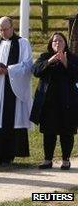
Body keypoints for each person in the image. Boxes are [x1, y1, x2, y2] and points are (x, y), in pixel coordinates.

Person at [0, 16, 32, 165]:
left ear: (12, 27)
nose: (3, 32)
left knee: (10, 117)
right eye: (0, 29)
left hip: (12, 89)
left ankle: (8, 155)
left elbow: (27, 65)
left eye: (5, 29)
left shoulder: (22, 43)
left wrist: (9, 70)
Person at [31, 32, 78, 170]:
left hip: (68, 102)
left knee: (66, 132)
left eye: (60, 41)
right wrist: (49, 61)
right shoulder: (44, 57)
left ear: (65, 44)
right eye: (55, 41)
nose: (57, 43)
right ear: (51, 44)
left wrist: (65, 63)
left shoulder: (73, 58)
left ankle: (66, 160)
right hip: (48, 102)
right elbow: (35, 71)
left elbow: (76, 75)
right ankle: (47, 160)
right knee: (48, 132)